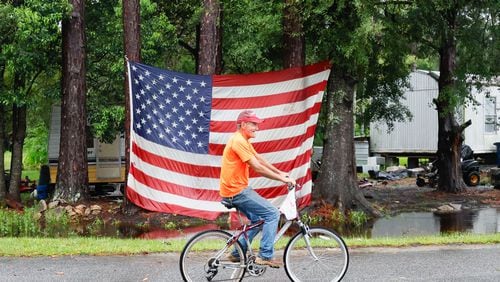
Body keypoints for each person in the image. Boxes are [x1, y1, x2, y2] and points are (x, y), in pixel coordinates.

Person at [219, 110, 296, 268]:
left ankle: (236, 253)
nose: (257, 128)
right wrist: (282, 179)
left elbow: (259, 159)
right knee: (272, 214)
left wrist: (280, 172)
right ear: (244, 124)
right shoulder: (238, 141)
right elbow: (257, 168)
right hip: (237, 192)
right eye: (254, 124)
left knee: (259, 219)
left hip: (236, 190)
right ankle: (265, 255)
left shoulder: (243, 140)